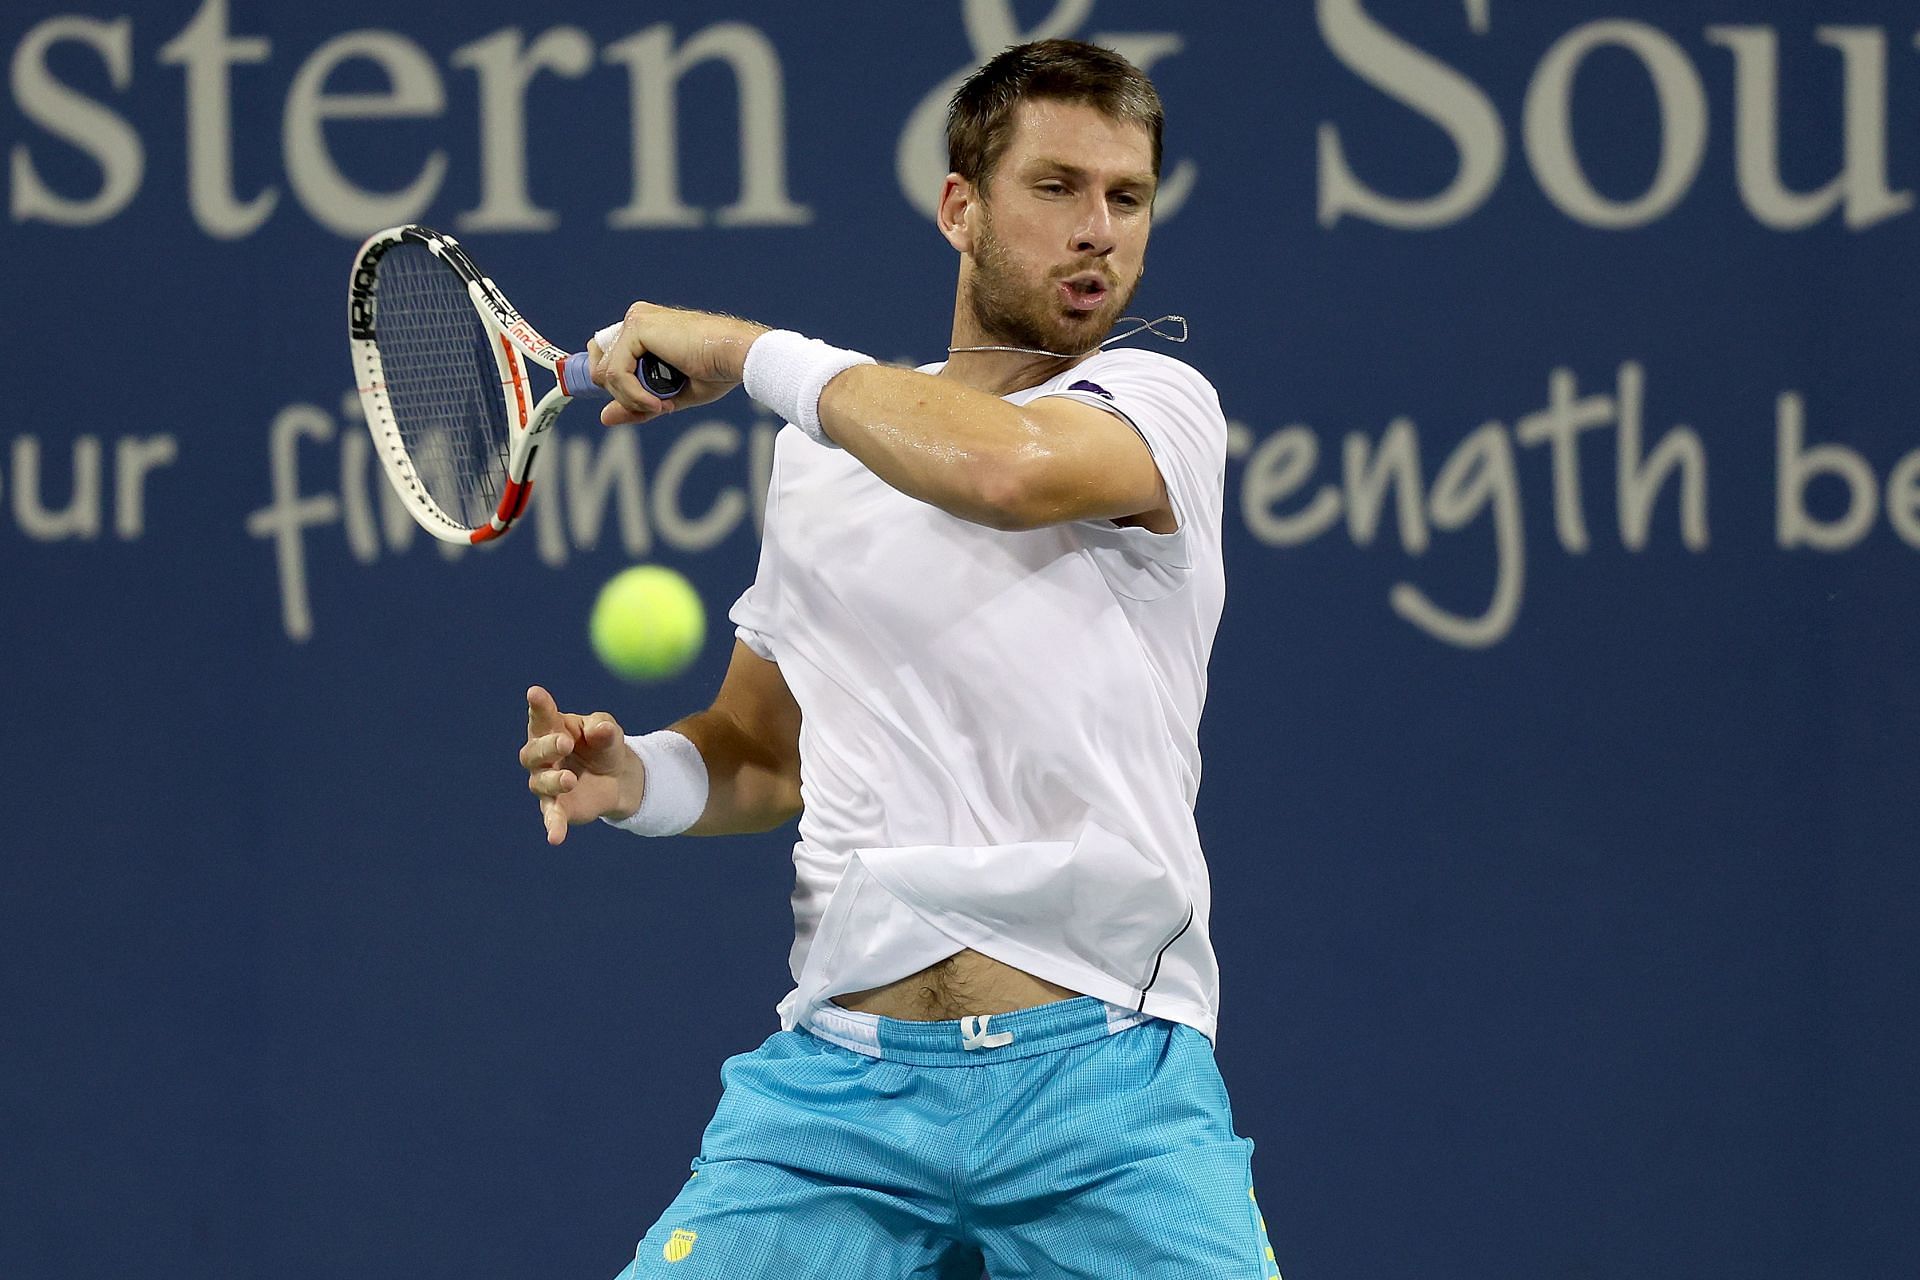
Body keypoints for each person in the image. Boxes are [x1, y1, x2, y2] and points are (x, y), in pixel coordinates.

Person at [520, 38, 1278, 1280]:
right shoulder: (826, 457)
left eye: (1126, 198)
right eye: (1057, 188)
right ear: (960, 209)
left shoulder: (1158, 401)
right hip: (837, 1099)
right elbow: (766, 752)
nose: (1097, 229)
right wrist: (641, 777)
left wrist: (743, 352)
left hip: (1108, 1087)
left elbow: (1002, 468)